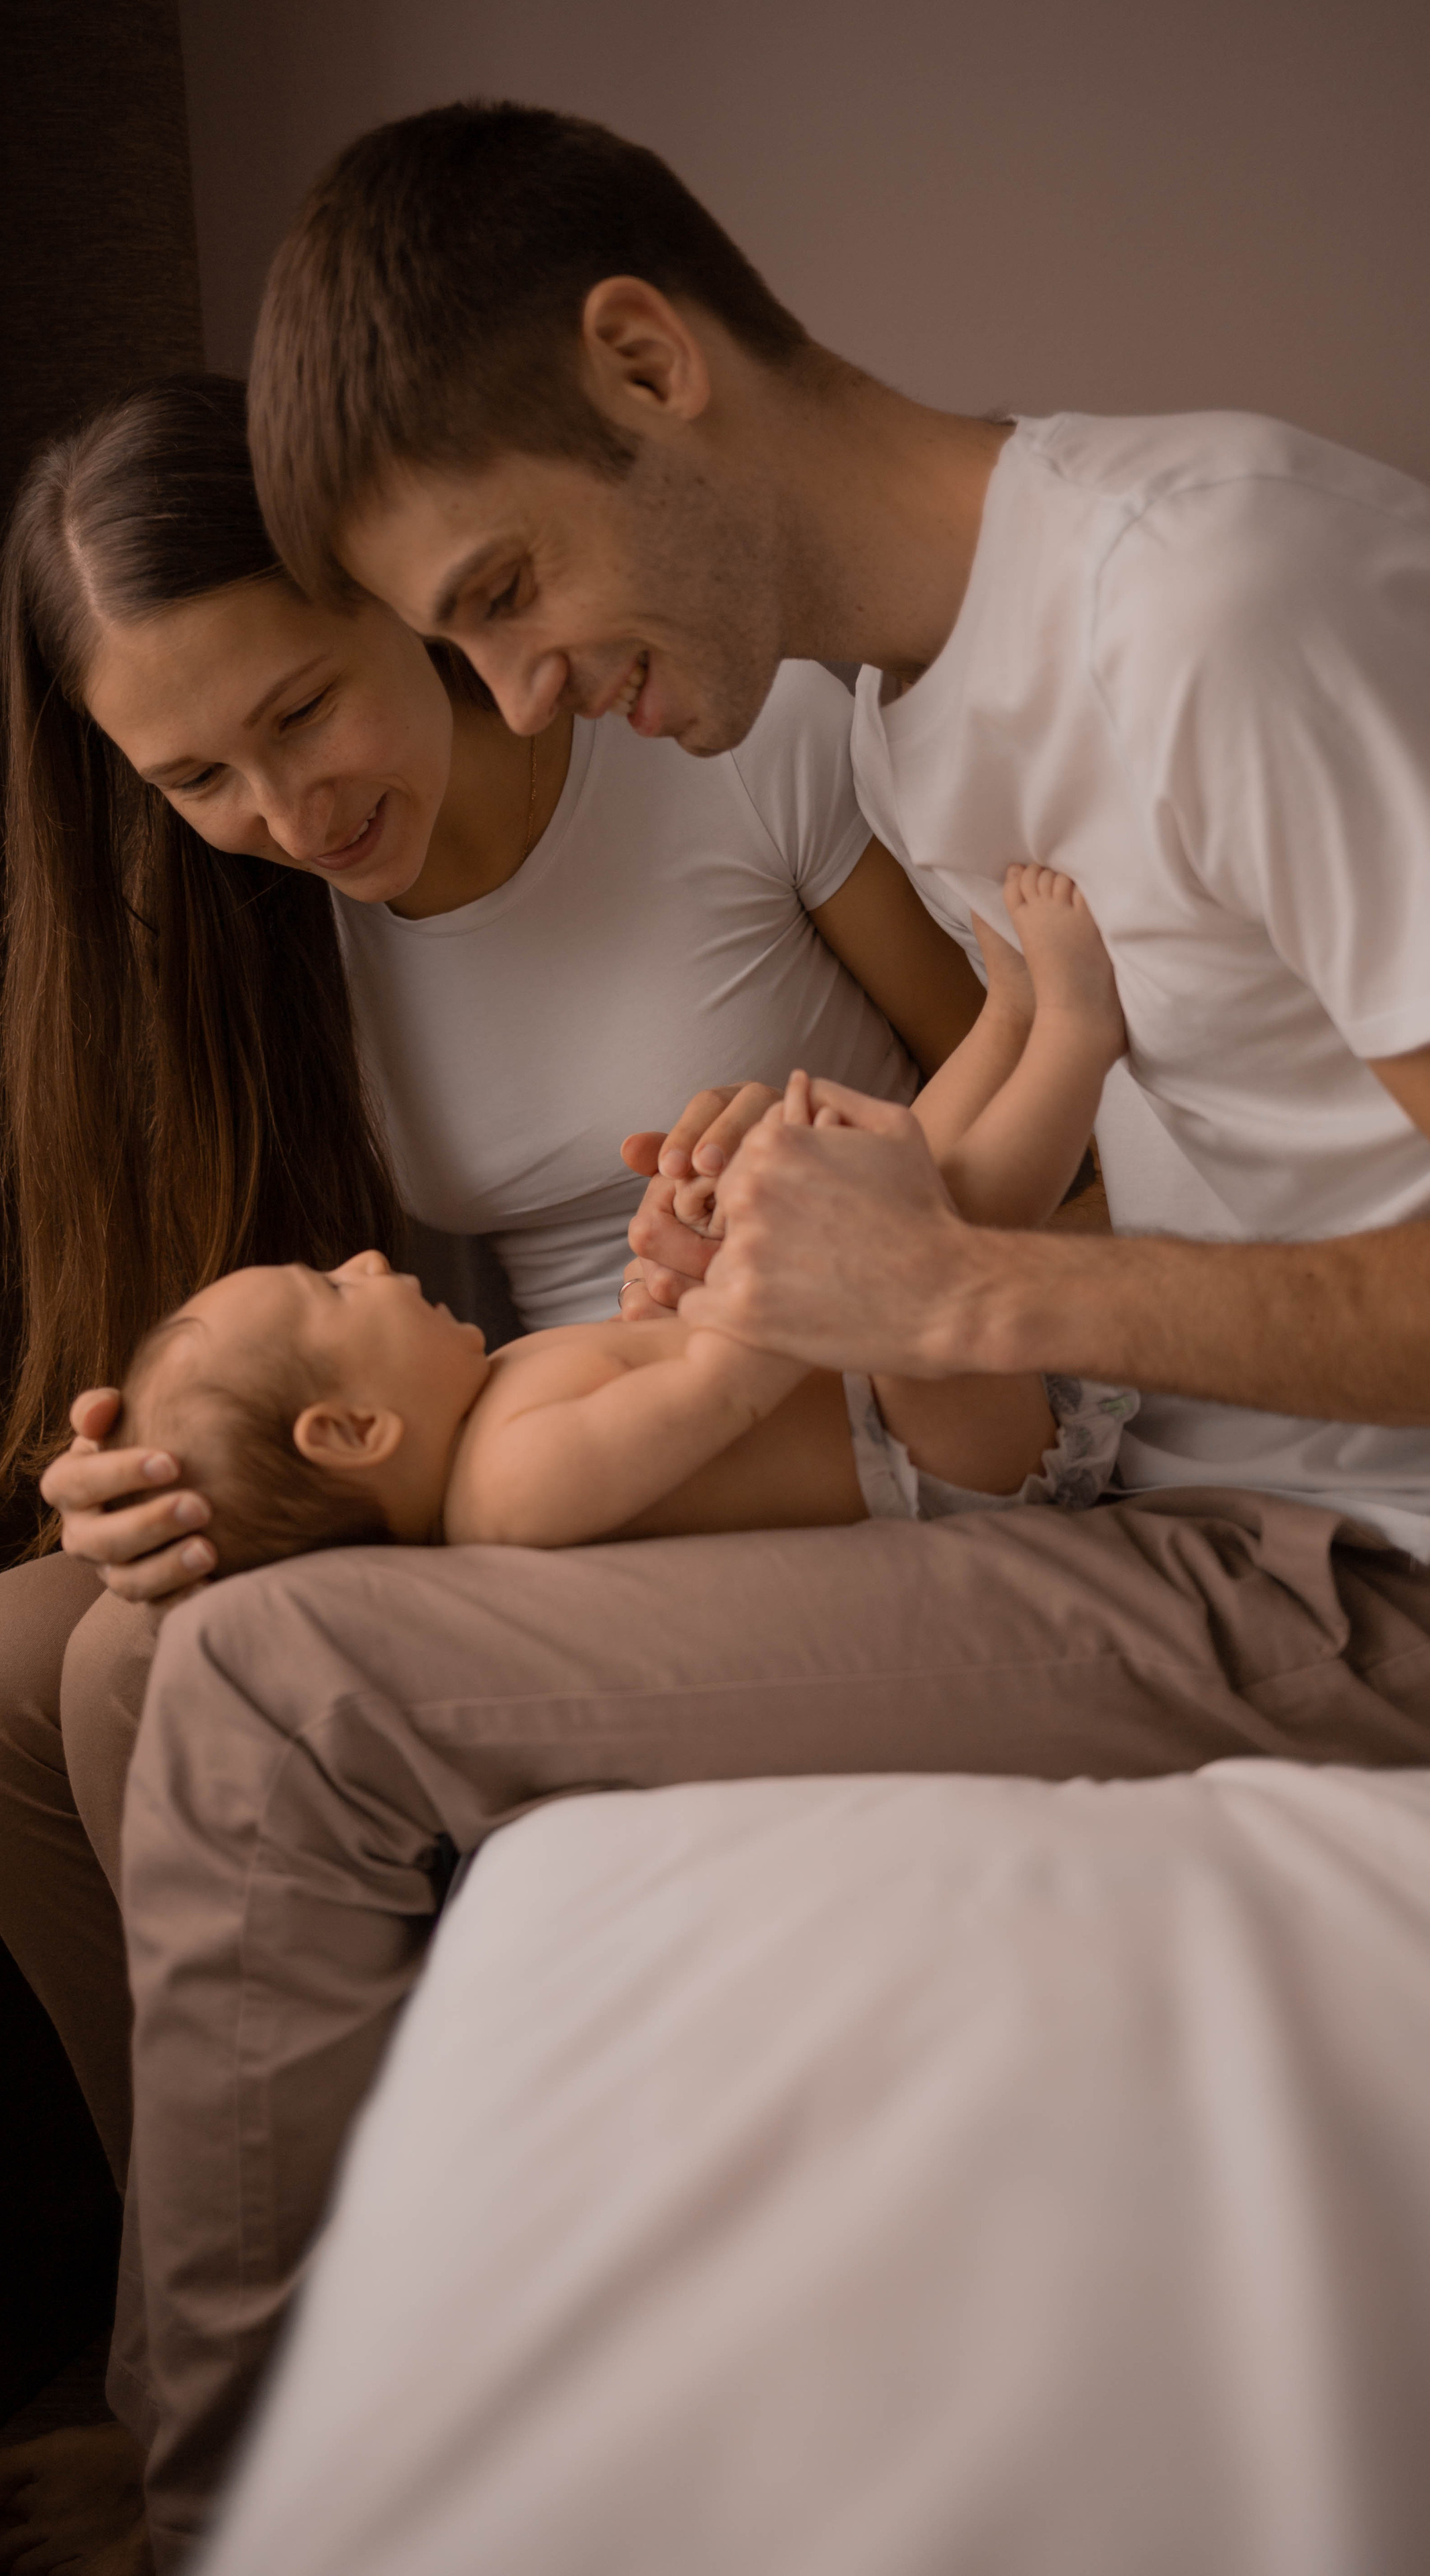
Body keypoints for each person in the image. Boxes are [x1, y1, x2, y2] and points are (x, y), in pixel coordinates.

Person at [107, 101, 1430, 2566]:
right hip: (1174, 1500)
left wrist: (946, 1283)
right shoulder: (930, 717)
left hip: (1355, 1580)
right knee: (182, 1647)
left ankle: (232, 2526)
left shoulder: (1222, 599)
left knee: (281, 1695)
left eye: (506, 587)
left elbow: (1043, 1276)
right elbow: (1174, 1154)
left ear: (646, 357)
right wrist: (835, 1190)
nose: (517, 688)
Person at [0, 370, 985, 2573]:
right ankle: (212, 2333)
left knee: (150, 1691)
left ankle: (289, 2401)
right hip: (524, 1428)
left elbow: (1022, 1133)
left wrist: (820, 1190)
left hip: (755, 1426)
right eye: (192, 773)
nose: (280, 808)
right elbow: (282, 1343)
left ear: (399, 598)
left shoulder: (726, 750)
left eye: (299, 713)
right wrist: (129, 1483)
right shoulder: (237, 920)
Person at [115, 878, 1134, 1566]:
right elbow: (722, 1390)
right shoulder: (511, 1489)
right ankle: (1079, 1035)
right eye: (331, 1292)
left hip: (880, 1402)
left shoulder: (494, 1416)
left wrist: (686, 1277)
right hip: (948, 1475)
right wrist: (770, 1252)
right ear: (352, 1432)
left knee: (904, 1196)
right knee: (922, 1233)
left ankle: (1007, 1017)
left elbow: (664, 1369)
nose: (369, 1258)